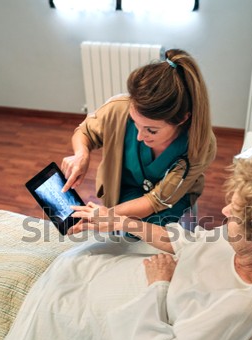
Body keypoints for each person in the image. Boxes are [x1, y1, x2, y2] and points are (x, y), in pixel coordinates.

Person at [69, 155, 252, 340]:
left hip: (129, 321)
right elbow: (187, 241)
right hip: (136, 277)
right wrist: (119, 221)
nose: (225, 210)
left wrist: (159, 286)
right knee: (77, 258)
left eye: (235, 212)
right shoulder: (237, 243)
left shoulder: (238, 308)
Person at [61, 49, 216, 226]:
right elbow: (85, 132)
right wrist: (82, 154)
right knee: (126, 236)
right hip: (124, 187)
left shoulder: (199, 144)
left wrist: (104, 216)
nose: (140, 136)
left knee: (145, 235)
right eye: (135, 123)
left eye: (151, 130)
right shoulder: (119, 109)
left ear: (182, 119)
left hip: (170, 199)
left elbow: (154, 201)